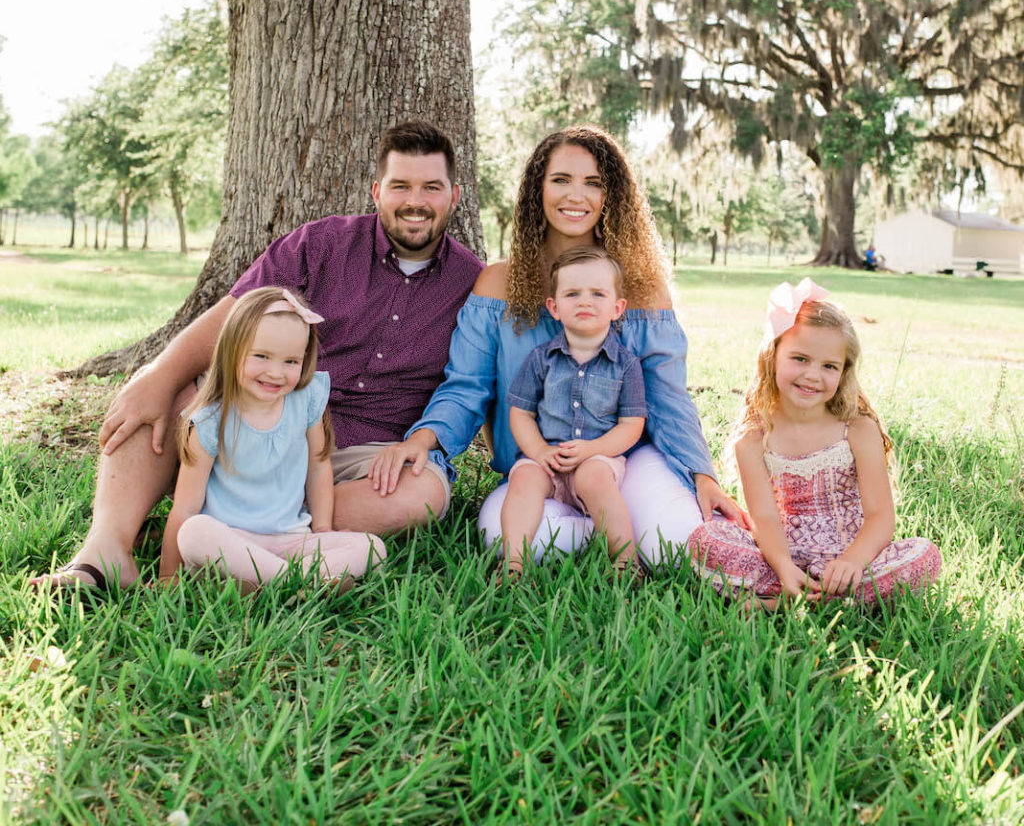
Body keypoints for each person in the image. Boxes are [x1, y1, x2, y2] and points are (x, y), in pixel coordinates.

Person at [32, 121, 483, 593]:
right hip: (264, 426)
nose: (416, 200)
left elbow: (472, 383)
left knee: (422, 495)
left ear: (453, 196)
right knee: (161, 393)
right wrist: (159, 375)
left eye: (431, 187)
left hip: (367, 457)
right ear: (377, 192)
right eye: (401, 186)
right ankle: (106, 553)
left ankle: (228, 547)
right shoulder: (321, 245)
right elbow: (230, 320)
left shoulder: (471, 281)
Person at [371, 124, 749, 567]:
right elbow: (467, 387)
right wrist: (425, 438)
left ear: (612, 196)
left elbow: (668, 398)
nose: (577, 196)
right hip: (536, 471)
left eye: (593, 183)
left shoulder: (641, 289)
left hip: (621, 465)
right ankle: (607, 529)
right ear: (538, 189)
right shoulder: (498, 285)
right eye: (561, 180)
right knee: (505, 536)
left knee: (674, 547)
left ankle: (631, 520)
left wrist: (702, 476)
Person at [688, 278, 941, 607]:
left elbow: (881, 517)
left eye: (829, 366)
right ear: (772, 356)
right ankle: (806, 593)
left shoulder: (857, 430)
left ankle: (783, 602)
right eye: (801, 359)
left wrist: (852, 563)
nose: (812, 375)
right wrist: (783, 567)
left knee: (924, 556)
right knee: (705, 540)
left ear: (843, 373)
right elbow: (763, 517)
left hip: (852, 558)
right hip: (781, 556)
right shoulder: (753, 438)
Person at [160, 287, 384, 592]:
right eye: (262, 356)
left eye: (290, 362)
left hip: (292, 538)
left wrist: (321, 530)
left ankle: (268, 583)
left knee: (372, 547)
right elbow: (185, 510)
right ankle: (297, 582)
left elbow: (318, 467)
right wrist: (168, 576)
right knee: (194, 532)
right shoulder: (211, 421)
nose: (275, 373)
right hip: (232, 541)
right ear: (232, 352)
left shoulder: (304, 400)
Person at [502, 246, 646, 579]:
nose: (584, 301)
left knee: (592, 477)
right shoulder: (541, 359)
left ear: (617, 307)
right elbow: (520, 413)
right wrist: (539, 452)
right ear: (554, 307)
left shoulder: (626, 365)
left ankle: (625, 560)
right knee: (524, 477)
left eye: (597, 293)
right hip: (549, 458)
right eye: (572, 293)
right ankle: (513, 562)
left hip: (599, 458)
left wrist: (593, 450)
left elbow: (631, 425)